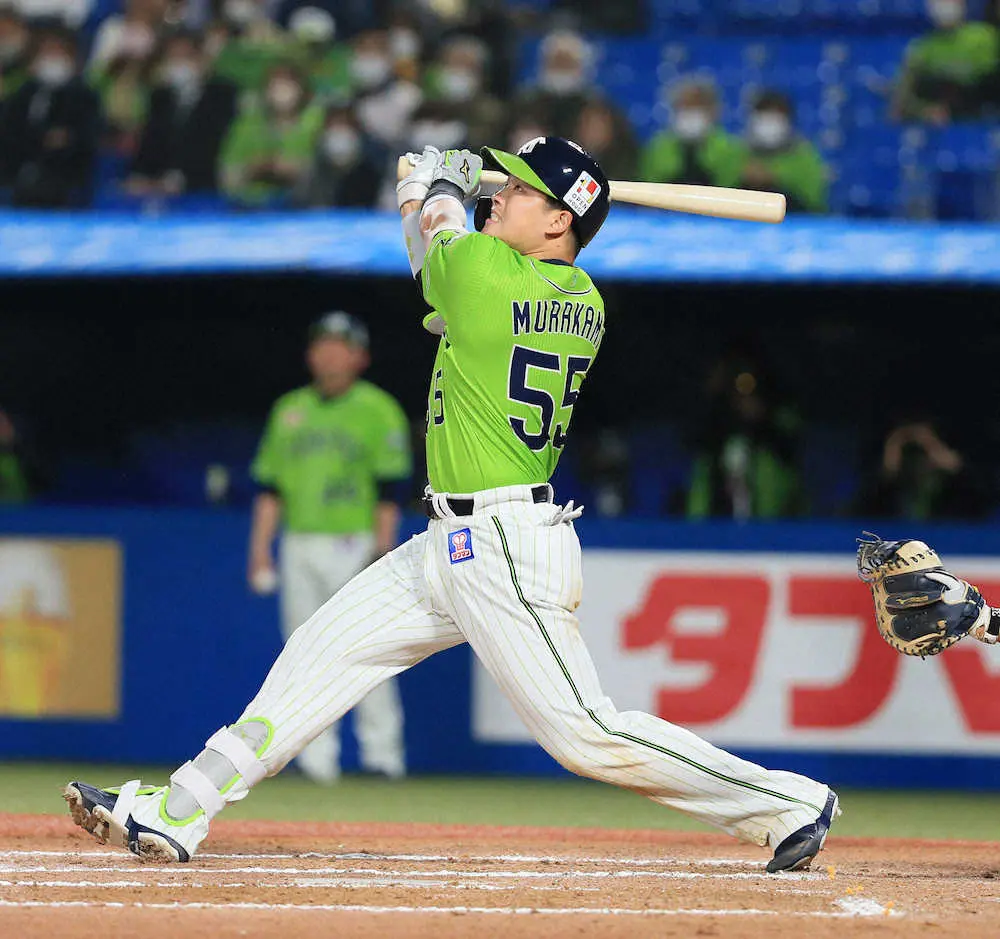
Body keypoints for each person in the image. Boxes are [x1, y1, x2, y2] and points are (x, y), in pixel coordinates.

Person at [63, 138, 839, 876]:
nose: (499, 194)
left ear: (560, 220)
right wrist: (430, 193)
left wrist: (435, 182)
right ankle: (181, 808)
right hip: (451, 540)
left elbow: (441, 242)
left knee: (585, 732)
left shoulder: (489, 275)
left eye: (520, 190)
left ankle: (788, 802)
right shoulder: (578, 298)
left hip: (503, 544)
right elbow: (439, 261)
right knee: (320, 654)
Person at [245, 311, 413, 782]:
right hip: (298, 539)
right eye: (323, 345)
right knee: (302, 653)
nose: (330, 354)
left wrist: (383, 546)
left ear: (360, 356)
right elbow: (270, 488)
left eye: (341, 346)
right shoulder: (290, 409)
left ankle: (383, 757)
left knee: (369, 648)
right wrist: (260, 550)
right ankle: (314, 761)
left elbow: (390, 488)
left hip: (354, 542)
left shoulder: (378, 409)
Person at [682, 340, 807, 520]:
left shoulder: (778, 406)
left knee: (767, 468)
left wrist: (763, 418)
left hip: (767, 507)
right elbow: (690, 438)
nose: (742, 385)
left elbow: (792, 446)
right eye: (735, 373)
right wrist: (711, 394)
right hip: (717, 508)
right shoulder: (716, 408)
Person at [125, 28, 238, 196]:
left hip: (204, 185)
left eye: (185, 57)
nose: (178, 65)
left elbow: (217, 144)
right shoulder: (160, 97)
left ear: (201, 59)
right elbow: (150, 140)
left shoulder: (222, 95)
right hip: (162, 185)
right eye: (173, 58)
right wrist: (140, 175)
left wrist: (181, 178)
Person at [0, 24, 99, 207]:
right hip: (19, 175)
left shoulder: (85, 97)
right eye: (47, 52)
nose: (52, 59)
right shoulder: (23, 94)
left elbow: (86, 138)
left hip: (66, 180)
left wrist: (65, 140)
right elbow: (10, 134)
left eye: (59, 52)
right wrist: (42, 138)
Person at [219, 60, 323, 206]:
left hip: (304, 208)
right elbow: (226, 177)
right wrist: (251, 170)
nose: (281, 91)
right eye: (275, 85)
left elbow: (329, 174)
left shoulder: (318, 122)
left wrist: (296, 170)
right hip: (250, 208)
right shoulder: (246, 125)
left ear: (302, 89)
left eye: (288, 84)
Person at [852, 416, 995, 521]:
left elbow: (972, 488)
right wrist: (895, 442)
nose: (920, 461)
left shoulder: (956, 488)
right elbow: (879, 485)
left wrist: (930, 443)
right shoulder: (889, 490)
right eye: (913, 454)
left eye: (925, 452)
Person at [890, 0, 1000, 123]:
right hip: (947, 119)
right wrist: (924, 111)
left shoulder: (986, 37)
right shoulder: (921, 49)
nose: (945, 4)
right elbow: (899, 104)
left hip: (982, 113)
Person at [736, 89, 829, 215]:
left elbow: (813, 203)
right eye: (764, 114)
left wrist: (774, 181)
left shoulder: (805, 157)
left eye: (776, 116)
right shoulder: (737, 153)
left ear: (788, 120)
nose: (769, 123)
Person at [639, 76, 744, 188]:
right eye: (685, 106)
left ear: (714, 110)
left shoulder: (733, 147)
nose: (691, 112)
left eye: (698, 106)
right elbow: (649, 185)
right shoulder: (657, 147)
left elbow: (730, 185)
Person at [292, 97, 382, 207]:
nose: (340, 129)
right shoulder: (313, 171)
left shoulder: (374, 164)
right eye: (335, 123)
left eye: (345, 122)